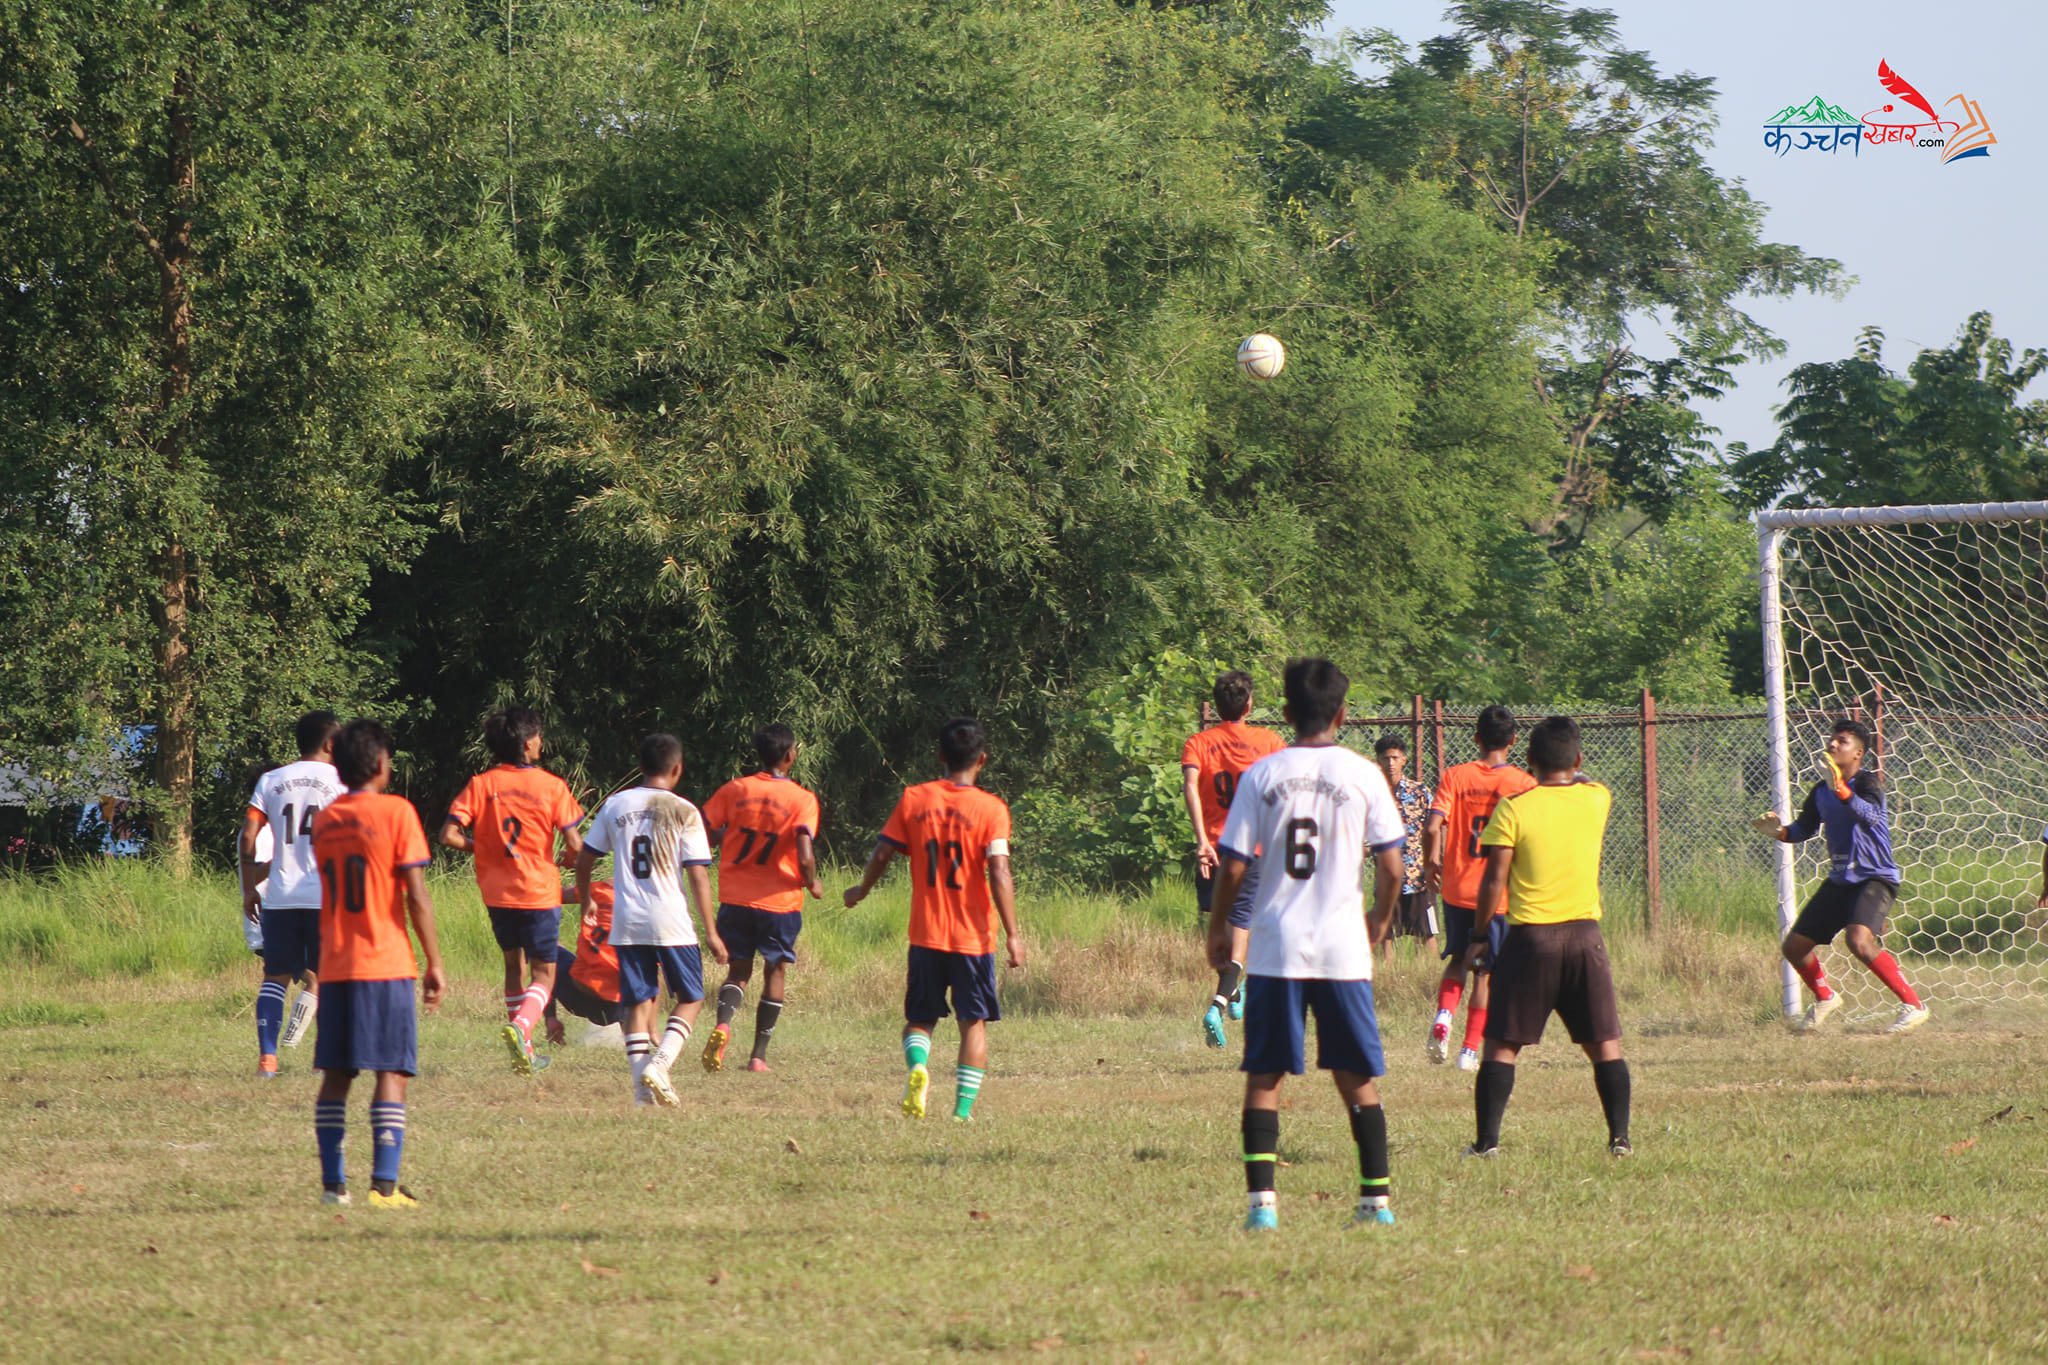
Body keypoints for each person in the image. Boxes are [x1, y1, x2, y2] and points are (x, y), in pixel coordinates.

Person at [1209, 658, 1407, 1232]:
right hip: (1342, 948)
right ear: (1342, 715)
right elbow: (1393, 867)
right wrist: (1379, 918)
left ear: (1287, 712)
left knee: (1265, 1076)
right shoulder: (1364, 775)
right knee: (1355, 1074)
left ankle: (1262, 1209)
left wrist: (1218, 928)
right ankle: (1375, 1203)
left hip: (1275, 947)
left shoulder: (1264, 775)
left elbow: (1232, 866)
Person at [1466, 716, 1631, 1158]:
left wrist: (1480, 935)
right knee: (1604, 1045)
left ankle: (1486, 1144)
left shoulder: (1515, 808)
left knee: (1501, 1044)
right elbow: (1586, 778)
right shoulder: (1597, 798)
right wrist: (1574, 769)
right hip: (1584, 938)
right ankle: (1620, 1140)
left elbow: (1493, 882)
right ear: (1577, 759)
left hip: (1530, 941)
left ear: (1528, 761)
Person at [844, 717, 1022, 1123]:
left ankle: (919, 1068)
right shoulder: (992, 809)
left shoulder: (914, 799)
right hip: (972, 939)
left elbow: (883, 852)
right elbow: (999, 871)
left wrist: (862, 890)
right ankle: (961, 1113)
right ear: (983, 760)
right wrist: (1013, 934)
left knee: (919, 1020)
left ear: (940, 756)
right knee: (972, 1023)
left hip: (925, 935)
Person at [309, 719, 446, 1208]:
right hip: (385, 961)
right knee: (392, 1070)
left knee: (337, 1074)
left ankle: (332, 1187)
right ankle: (384, 1186)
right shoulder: (397, 813)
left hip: (336, 965)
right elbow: (417, 897)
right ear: (381, 764)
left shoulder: (325, 820)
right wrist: (434, 961)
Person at [576, 733, 728, 1107]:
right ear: (677, 768)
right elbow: (698, 874)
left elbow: (584, 858)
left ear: (640, 767)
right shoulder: (684, 810)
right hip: (670, 919)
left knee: (639, 1004)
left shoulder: (615, 805)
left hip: (628, 922)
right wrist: (711, 931)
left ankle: (642, 1097)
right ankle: (660, 1065)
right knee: (691, 997)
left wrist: (585, 903)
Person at [1752, 718, 1929, 1035]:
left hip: (1876, 877)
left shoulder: (1867, 783)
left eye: (1842, 741)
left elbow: (1872, 817)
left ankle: (1914, 1006)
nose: (1833, 744)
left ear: (1858, 754)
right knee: (1794, 947)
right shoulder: (1821, 791)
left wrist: (1844, 791)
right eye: (1832, 739)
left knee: (1858, 941)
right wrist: (1779, 832)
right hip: (1841, 879)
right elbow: (1803, 828)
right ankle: (1825, 998)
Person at [441, 706, 585, 1076]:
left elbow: (449, 835)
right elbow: (575, 844)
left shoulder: (481, 784)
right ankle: (522, 1028)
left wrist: (482, 847)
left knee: (512, 966)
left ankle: (524, 1051)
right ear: (526, 743)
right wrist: (570, 859)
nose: (541, 741)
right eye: (537, 736)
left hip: (497, 893)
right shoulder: (552, 786)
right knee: (544, 974)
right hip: (538, 892)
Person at [699, 723, 825, 1073]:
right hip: (778, 902)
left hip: (735, 898)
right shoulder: (802, 799)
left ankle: (722, 1025)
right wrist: (811, 882)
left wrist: (728, 838)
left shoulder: (736, 789)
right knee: (775, 970)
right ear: (790, 755)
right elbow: (804, 854)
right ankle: (758, 1056)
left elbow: (705, 829)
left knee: (738, 970)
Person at [1424, 706, 1534, 1071]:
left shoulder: (1455, 776)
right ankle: (1469, 1051)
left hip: (1457, 886)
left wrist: (1431, 863)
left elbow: (1431, 826)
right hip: (1498, 894)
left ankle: (1443, 1016)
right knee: (1485, 972)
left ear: (1476, 738)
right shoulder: (1522, 784)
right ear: (1514, 741)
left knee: (1457, 959)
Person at [1181, 671, 1285, 1049]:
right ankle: (1218, 1004)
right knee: (1240, 938)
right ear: (1249, 704)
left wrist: (1201, 841)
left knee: (1222, 933)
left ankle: (1233, 994)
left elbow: (1190, 787)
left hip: (1214, 849)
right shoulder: (1270, 742)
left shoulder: (1199, 742)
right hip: (1251, 852)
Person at [241, 712, 344, 1077]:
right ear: (331, 744)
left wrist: (250, 888)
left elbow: (249, 838)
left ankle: (268, 1058)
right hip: (325, 896)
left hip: (280, 895)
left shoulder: (271, 780)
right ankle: (324, 1058)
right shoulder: (343, 780)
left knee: (276, 977)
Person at [1373, 734, 1438, 959]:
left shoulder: (1419, 792)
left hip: (1417, 874)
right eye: (1385, 758)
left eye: (1394, 757)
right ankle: (1389, 977)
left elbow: (1435, 827)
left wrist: (1435, 860)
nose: (1390, 763)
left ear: (1404, 760)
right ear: (1378, 761)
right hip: (1387, 875)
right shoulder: (1374, 794)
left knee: (1427, 932)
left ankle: (1429, 973)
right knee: (1387, 934)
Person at [543, 879, 623, 1040]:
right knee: (642, 968)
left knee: (546, 948)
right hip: (620, 1006)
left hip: (577, 996)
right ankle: (640, 1032)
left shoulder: (601, 890)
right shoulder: (650, 902)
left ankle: (550, 1019)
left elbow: (552, 896)